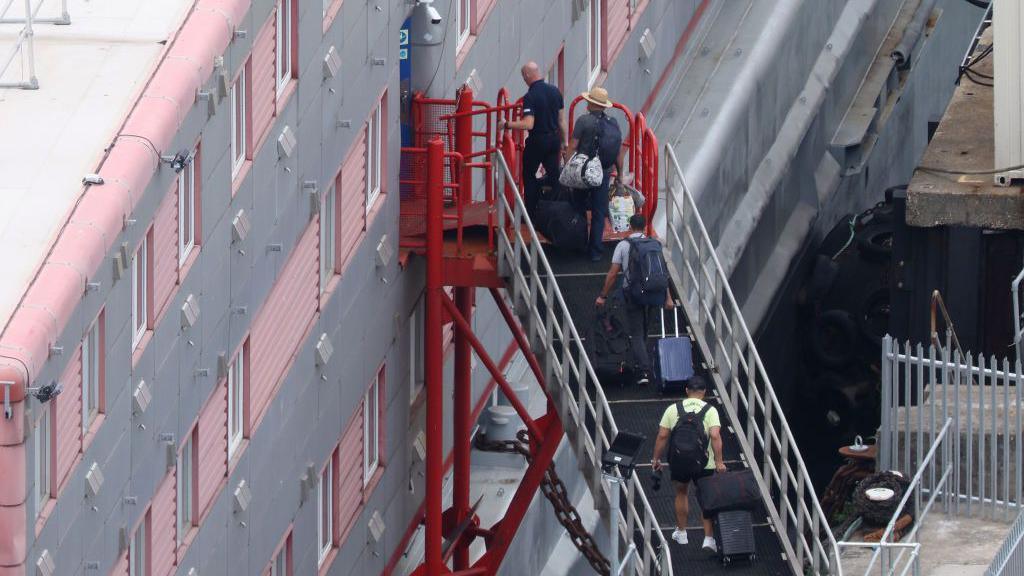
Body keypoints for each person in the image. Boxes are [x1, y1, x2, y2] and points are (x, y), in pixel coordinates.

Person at [651, 375, 726, 553]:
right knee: (705, 497)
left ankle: (682, 533)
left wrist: (656, 459)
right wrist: (719, 462)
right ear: (704, 392)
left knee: (681, 492)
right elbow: (715, 436)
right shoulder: (711, 410)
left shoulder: (673, 409)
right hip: (704, 463)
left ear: (686, 391)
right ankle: (708, 538)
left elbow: (662, 436)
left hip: (679, 462)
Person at [594, 214, 671, 385]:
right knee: (645, 330)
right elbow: (662, 273)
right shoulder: (655, 244)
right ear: (645, 227)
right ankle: (642, 361)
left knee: (636, 333)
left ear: (630, 226)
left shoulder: (623, 245)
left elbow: (613, 273)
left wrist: (602, 296)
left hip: (634, 294)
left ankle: (644, 370)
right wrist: (668, 298)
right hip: (654, 293)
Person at [499, 62, 566, 218]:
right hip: (553, 139)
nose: (523, 79)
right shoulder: (555, 91)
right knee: (554, 175)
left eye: (523, 76)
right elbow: (561, 120)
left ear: (528, 75)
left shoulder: (530, 96)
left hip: (537, 140)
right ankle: (557, 211)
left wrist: (507, 124)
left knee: (529, 176)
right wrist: (564, 142)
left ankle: (530, 214)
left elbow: (529, 123)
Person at [567, 86, 625, 262]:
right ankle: (595, 252)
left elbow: (572, 146)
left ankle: (578, 245)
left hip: (583, 172)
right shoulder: (613, 123)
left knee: (578, 207)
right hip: (604, 172)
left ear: (590, 103)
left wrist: (567, 168)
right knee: (599, 212)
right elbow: (618, 153)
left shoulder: (583, 121)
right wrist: (620, 175)